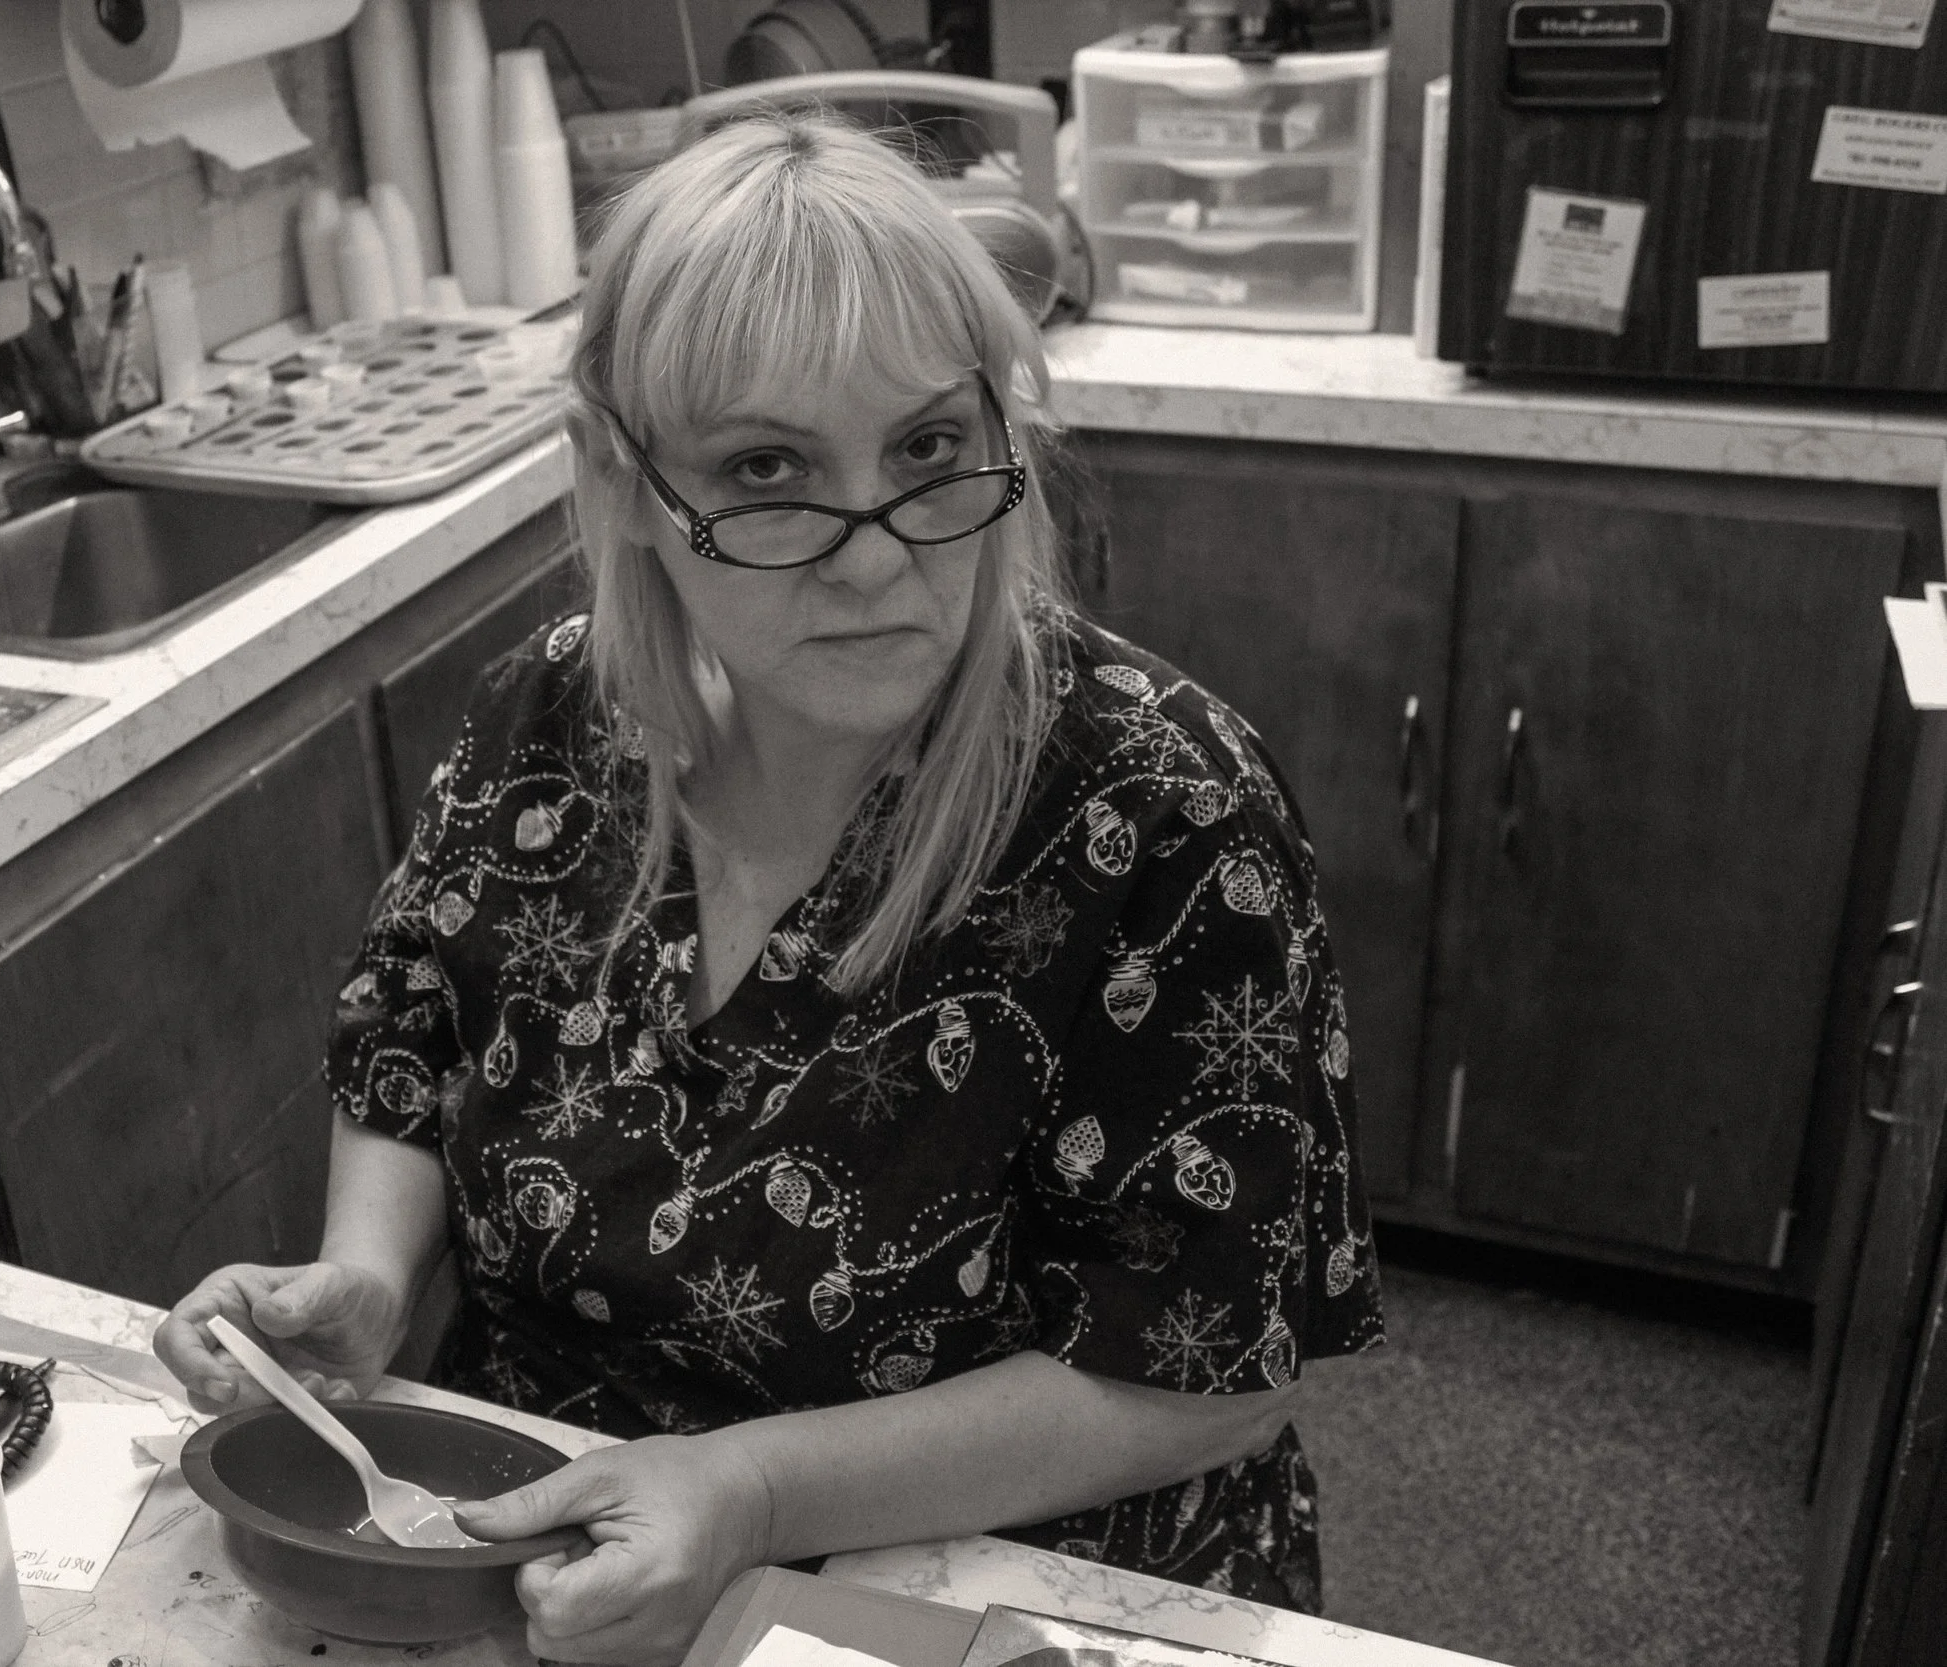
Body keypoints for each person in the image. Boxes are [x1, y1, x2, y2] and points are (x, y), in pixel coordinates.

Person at [155, 111, 1384, 1665]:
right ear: (628, 486)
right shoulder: (550, 724)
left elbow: (1219, 1361)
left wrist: (740, 1489)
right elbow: (408, 1035)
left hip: (1002, 1591)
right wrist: (368, 1274)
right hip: (546, 1556)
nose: (877, 558)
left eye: (930, 449)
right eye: (768, 470)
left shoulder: (1166, 814)